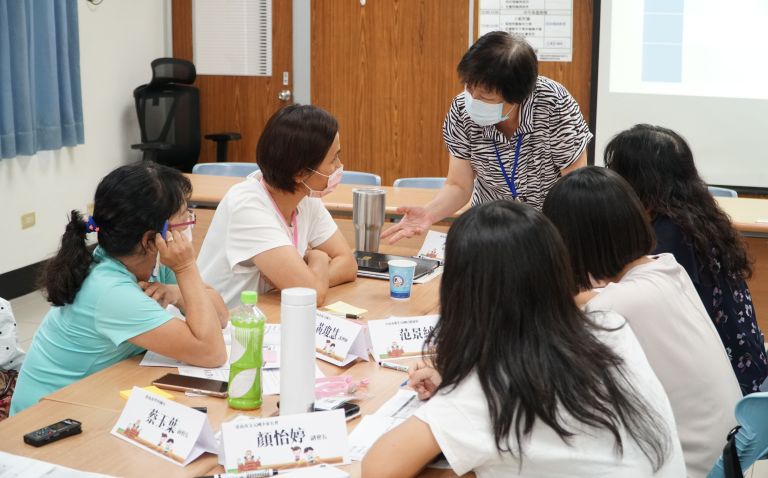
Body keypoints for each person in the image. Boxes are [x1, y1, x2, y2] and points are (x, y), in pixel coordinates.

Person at [363, 200, 685, 478]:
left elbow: (378, 468)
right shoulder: (608, 327)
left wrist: (457, 391)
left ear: (462, 292)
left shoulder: (486, 391)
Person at [542, 166, 740, 478]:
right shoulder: (667, 268)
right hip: (725, 454)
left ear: (574, 242)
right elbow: (603, 298)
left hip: (686, 465)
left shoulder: (610, 310)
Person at [11, 162, 228, 415]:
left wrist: (176, 292)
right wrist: (186, 267)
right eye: (184, 218)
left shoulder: (149, 260)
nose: (190, 222)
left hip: (89, 397)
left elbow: (221, 317)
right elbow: (211, 353)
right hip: (43, 418)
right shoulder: (109, 290)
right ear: (151, 240)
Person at [382, 31, 591, 245]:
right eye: (469, 87)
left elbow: (573, 188)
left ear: (517, 96)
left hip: (549, 230)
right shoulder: (461, 110)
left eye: (486, 95)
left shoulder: (554, 105)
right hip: (491, 229)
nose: (473, 99)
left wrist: (553, 241)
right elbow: (459, 185)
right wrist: (429, 213)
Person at [604, 124, 767, 395]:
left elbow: (633, 307)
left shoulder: (669, 238)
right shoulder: (696, 217)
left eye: (616, 172)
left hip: (730, 385)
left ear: (638, 181)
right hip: (748, 367)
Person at [197, 105, 357, 308]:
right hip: (222, 323)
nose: (339, 165)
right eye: (333, 159)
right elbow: (312, 295)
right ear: (300, 173)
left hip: (265, 317)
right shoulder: (247, 205)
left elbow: (348, 263)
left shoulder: (306, 197)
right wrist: (319, 258)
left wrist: (310, 279)